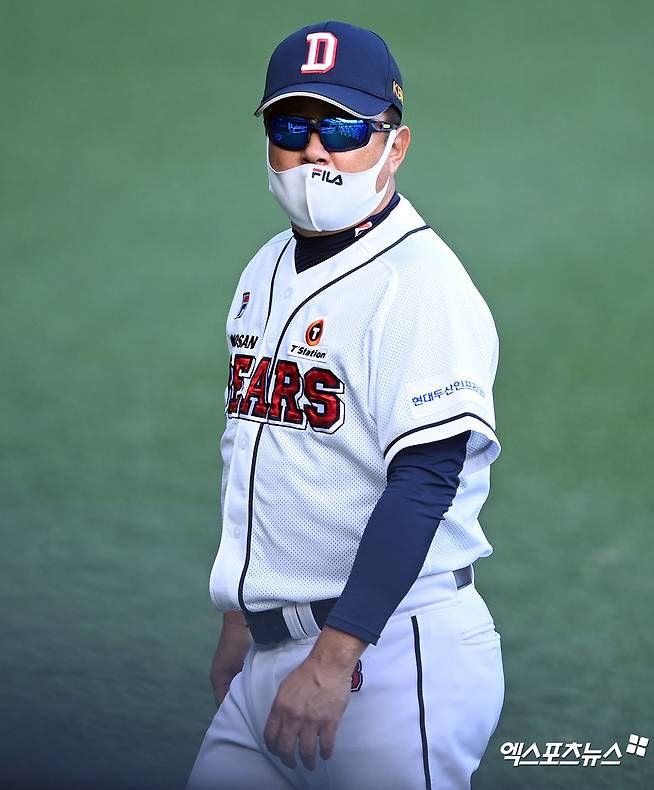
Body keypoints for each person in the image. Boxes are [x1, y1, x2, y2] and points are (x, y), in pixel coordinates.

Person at [186, 20, 504, 790]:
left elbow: (425, 482)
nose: (315, 152)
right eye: (291, 127)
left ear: (395, 145)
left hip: (387, 655)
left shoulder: (420, 285)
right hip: (271, 656)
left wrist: (334, 658)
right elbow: (261, 452)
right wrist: (242, 615)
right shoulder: (265, 268)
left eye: (343, 128)